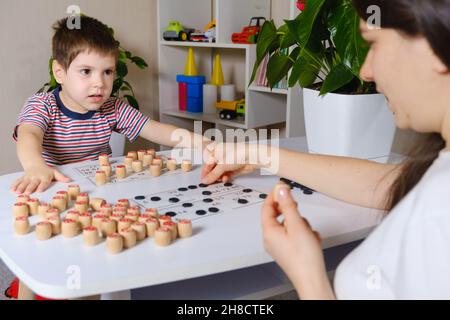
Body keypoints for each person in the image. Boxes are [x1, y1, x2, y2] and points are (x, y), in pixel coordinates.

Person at [201, 0, 450, 299]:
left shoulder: (439, 212)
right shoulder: (438, 180)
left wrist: (308, 277)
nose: (365, 70)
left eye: (374, 43)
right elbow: (391, 183)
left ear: (433, 45)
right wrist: (258, 155)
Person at [11, 15, 209, 195]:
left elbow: (156, 130)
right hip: (54, 187)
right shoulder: (42, 105)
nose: (100, 83)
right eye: (86, 71)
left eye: (107, 72)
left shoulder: (113, 108)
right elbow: (29, 135)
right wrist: (35, 166)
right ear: (59, 72)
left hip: (100, 189)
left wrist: (207, 144)